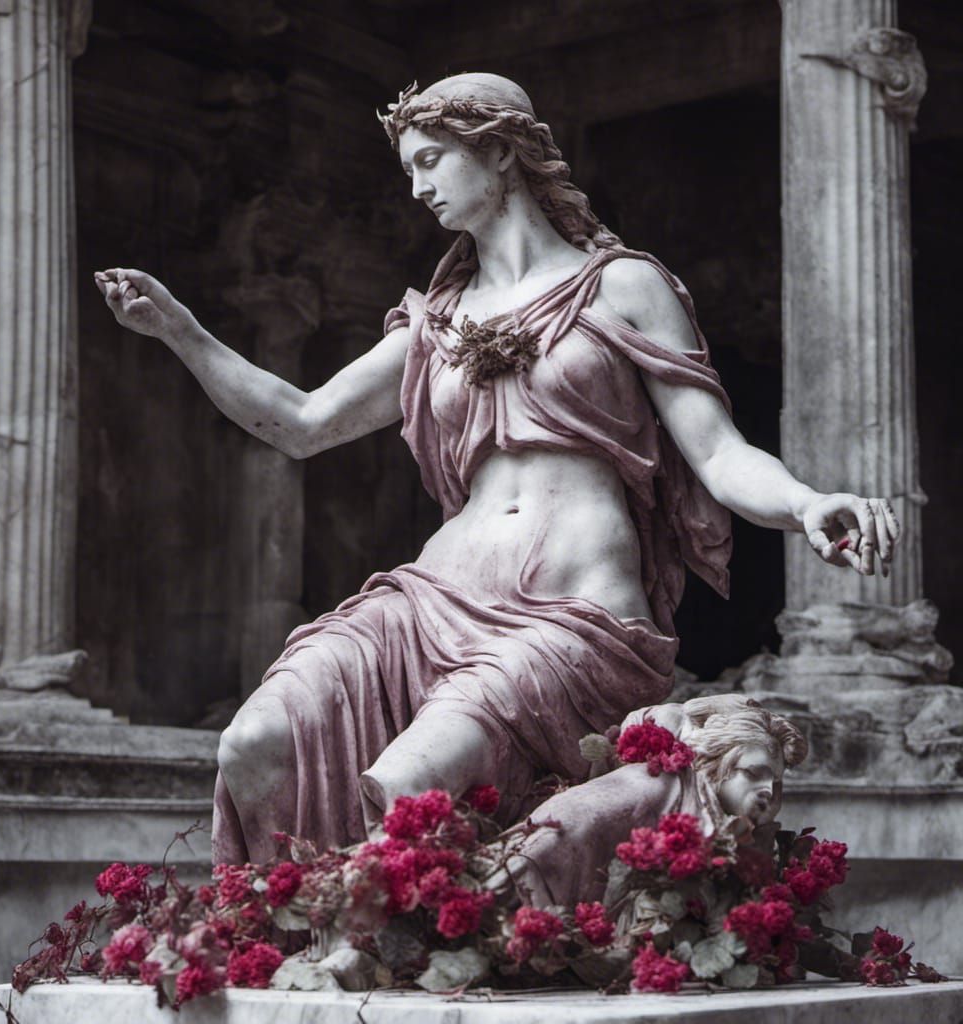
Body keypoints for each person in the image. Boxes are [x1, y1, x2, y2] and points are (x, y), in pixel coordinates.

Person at [94, 73, 899, 865]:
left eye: (431, 160)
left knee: (409, 784)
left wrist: (805, 504)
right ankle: (276, 945)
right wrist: (180, 330)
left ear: (502, 151)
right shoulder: (435, 320)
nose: (417, 188)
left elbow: (719, 453)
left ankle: (364, 964)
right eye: (409, 168)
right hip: (431, 600)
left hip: (565, 614)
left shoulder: (622, 286)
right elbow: (302, 423)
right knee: (254, 743)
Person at [501, 695, 808, 911]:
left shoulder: (721, 822)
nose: (767, 789)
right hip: (524, 899)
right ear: (716, 763)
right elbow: (569, 819)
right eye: (754, 773)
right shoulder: (656, 785)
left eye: (776, 781)